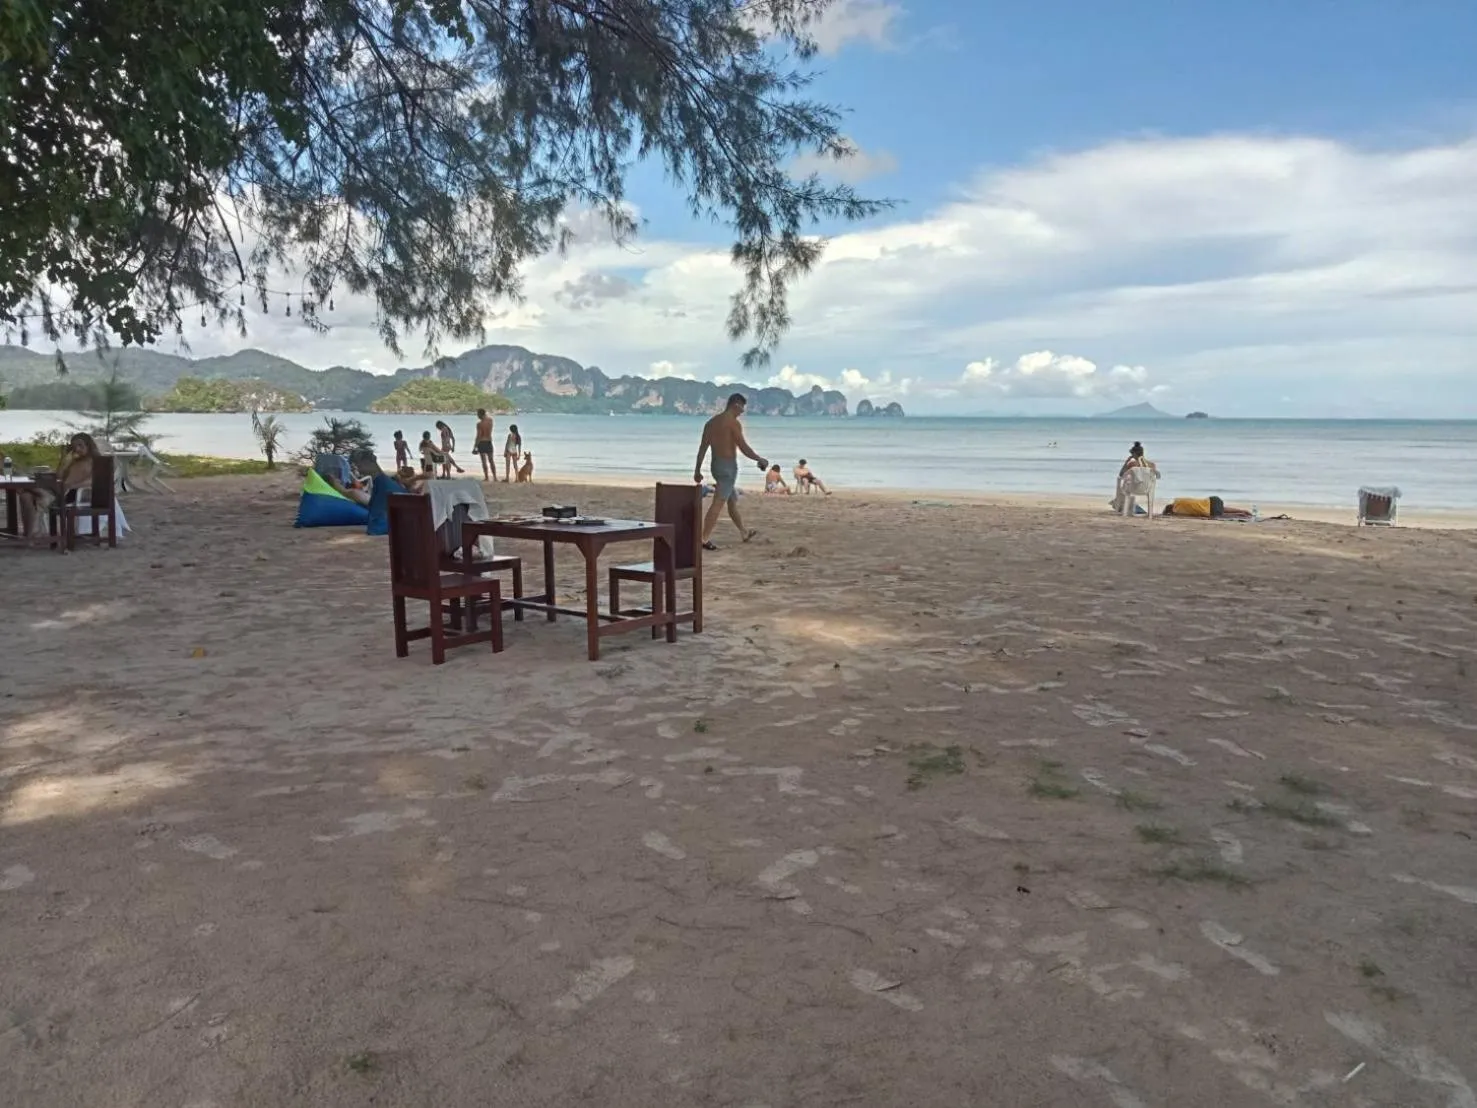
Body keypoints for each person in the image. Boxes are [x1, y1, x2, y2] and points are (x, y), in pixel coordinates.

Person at [694, 393, 767, 549]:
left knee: (731, 500)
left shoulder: (711, 423)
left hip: (716, 466)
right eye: (742, 408)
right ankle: (703, 539)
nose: (742, 412)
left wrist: (697, 470)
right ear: (735, 405)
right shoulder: (732, 423)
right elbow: (743, 447)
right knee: (718, 503)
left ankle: (743, 532)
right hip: (727, 468)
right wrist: (759, 459)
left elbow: (702, 449)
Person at [15, 432, 102, 542]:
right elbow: (59, 476)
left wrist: (72, 485)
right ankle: (31, 535)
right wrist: (63, 458)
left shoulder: (95, 461)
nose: (77, 449)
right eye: (75, 447)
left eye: (80, 445)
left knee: (29, 489)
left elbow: (95, 480)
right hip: (60, 491)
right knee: (25, 496)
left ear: (89, 445)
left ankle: (36, 492)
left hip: (72, 494)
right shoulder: (74, 461)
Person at [355, 449, 408, 536]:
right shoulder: (382, 482)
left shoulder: (382, 485)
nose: (358, 469)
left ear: (368, 462)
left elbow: (375, 528)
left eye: (359, 465)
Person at [1111, 441, 1160, 513]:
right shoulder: (1152, 465)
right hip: (1147, 489)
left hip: (1133, 488)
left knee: (1124, 485)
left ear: (1134, 454)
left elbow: (1121, 474)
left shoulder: (1132, 464)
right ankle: (1132, 507)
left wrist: (1126, 462)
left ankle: (1124, 506)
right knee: (1126, 484)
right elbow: (1155, 477)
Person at [473, 409, 496, 481]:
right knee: (491, 460)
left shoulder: (479, 424)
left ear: (480, 414)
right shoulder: (490, 421)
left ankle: (486, 477)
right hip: (489, 442)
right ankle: (495, 477)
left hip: (482, 443)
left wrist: (475, 446)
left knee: (484, 461)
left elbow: (479, 436)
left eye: (478, 414)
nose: (477, 416)